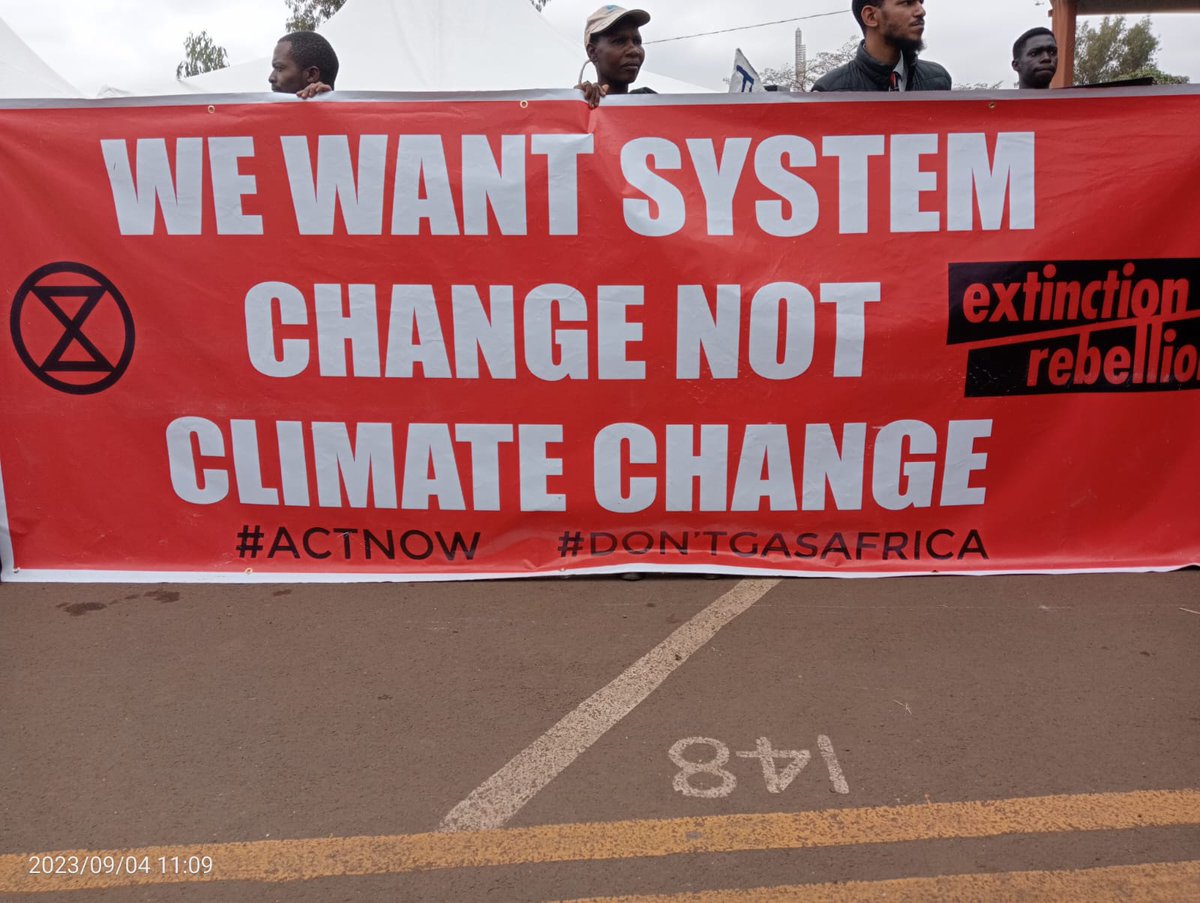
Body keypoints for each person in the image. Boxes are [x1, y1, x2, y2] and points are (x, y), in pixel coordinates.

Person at [812, 0, 951, 92]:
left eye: (920, 2)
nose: (921, 11)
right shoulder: (830, 91)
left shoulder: (938, 80)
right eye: (907, 3)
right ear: (871, 16)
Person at [575, 6, 655, 108]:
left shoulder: (652, 106)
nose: (634, 50)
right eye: (619, 41)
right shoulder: (581, 107)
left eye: (637, 42)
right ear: (592, 52)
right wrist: (575, 102)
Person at [269, 31, 339, 99]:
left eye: (279, 68)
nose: (271, 78)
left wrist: (327, 105)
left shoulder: (342, 110)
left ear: (311, 74)